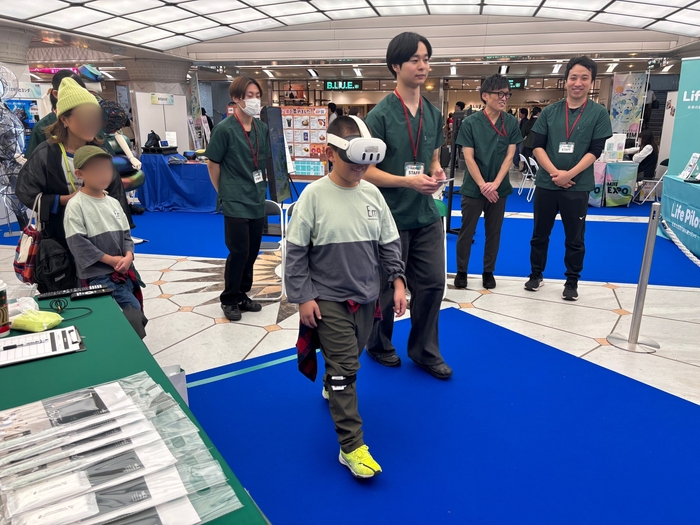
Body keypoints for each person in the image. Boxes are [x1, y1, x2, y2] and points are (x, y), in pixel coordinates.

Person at [285, 116, 407, 479]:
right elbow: (295, 252)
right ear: (330, 154)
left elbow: (389, 242)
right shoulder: (313, 196)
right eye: (353, 162)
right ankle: (351, 446)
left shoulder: (372, 194)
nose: (360, 170)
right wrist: (303, 297)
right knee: (345, 371)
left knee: (351, 355)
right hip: (328, 299)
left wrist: (398, 281)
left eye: (365, 164)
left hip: (367, 297)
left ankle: (331, 383)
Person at [363, 32, 452, 380]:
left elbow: (433, 157)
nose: (423, 65)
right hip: (389, 216)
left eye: (426, 59)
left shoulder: (433, 113)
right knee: (386, 289)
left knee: (432, 283)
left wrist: (436, 172)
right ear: (396, 66)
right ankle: (378, 343)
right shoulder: (380, 116)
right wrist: (407, 181)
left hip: (426, 214)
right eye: (415, 59)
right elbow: (367, 171)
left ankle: (424, 350)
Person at [525, 56, 612, 301]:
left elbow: (595, 150)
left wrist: (569, 175)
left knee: (575, 237)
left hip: (577, 186)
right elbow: (537, 146)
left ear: (592, 82)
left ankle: (572, 280)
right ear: (565, 81)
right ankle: (536, 274)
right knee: (539, 234)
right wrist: (555, 174)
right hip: (547, 184)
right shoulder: (550, 112)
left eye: (584, 78)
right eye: (573, 77)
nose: (578, 82)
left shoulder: (598, 113)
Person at [17, 78, 132, 250]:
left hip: (101, 238)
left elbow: (116, 196)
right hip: (59, 242)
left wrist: (124, 245)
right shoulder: (45, 154)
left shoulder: (100, 153)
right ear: (64, 119)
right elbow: (26, 192)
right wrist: (66, 199)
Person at [205, 76, 270, 322]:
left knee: (252, 251)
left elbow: (261, 162)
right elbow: (213, 163)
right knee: (239, 250)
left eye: (257, 95)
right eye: (249, 95)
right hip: (234, 199)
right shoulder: (224, 129)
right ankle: (230, 298)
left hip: (256, 196)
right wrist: (223, 191)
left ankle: (242, 294)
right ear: (236, 98)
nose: (254, 100)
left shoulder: (262, 129)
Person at [63, 146, 146, 337]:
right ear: (80, 173)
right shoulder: (76, 205)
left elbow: (126, 235)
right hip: (97, 276)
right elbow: (78, 244)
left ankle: (127, 345)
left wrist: (129, 255)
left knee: (132, 311)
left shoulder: (113, 202)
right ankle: (126, 347)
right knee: (129, 311)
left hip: (123, 271)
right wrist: (110, 260)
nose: (103, 174)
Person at [453, 74, 522, 291]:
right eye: (499, 94)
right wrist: (483, 185)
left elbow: (509, 156)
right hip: (474, 187)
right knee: (467, 231)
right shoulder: (470, 123)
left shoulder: (511, 122)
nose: (504, 98)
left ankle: (488, 271)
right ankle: (461, 271)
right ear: (485, 96)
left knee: (494, 232)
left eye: (507, 94)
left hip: (498, 189)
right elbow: (468, 157)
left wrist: (495, 184)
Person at [25, 71, 86, 158]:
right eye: (71, 92)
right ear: (56, 94)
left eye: (82, 92)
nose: (77, 97)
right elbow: (33, 162)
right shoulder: (42, 128)